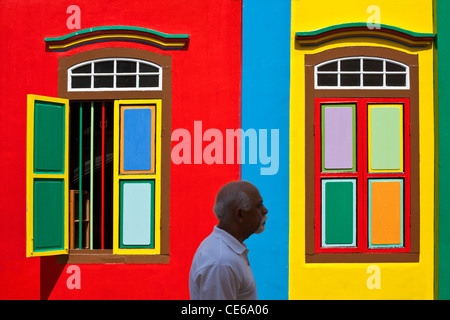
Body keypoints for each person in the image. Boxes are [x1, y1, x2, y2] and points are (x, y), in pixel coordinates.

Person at [189, 180, 268, 300]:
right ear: (240, 215)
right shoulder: (220, 261)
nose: (265, 210)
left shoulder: (226, 250)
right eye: (258, 205)